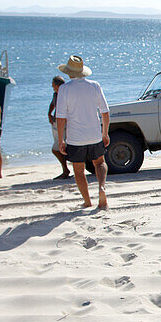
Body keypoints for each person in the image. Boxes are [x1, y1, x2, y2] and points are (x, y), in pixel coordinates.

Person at [55, 54, 111, 209]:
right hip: (94, 134)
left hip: (75, 138)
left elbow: (60, 118)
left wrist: (61, 140)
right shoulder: (94, 85)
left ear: (68, 72)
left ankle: (87, 201)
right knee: (100, 163)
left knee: (78, 171)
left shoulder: (64, 89)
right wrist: (105, 133)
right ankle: (101, 188)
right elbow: (105, 112)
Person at [48, 76, 71, 179]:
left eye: (53, 86)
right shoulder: (56, 94)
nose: (53, 88)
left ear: (57, 85)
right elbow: (53, 103)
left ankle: (66, 170)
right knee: (60, 147)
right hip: (57, 122)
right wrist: (49, 113)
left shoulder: (66, 93)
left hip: (63, 123)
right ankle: (65, 170)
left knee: (56, 149)